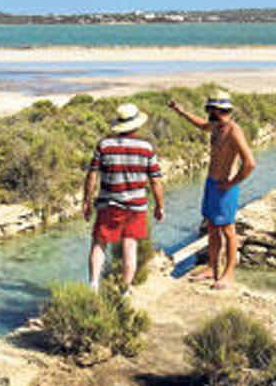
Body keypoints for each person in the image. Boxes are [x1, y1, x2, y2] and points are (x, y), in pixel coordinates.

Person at [169, 91, 256, 289]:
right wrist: (181, 112)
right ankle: (211, 267)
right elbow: (201, 124)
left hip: (225, 189)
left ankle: (228, 274)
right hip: (211, 184)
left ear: (217, 110)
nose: (207, 112)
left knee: (228, 230)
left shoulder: (234, 131)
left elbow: (250, 163)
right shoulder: (217, 126)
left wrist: (233, 182)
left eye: (209, 109)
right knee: (211, 226)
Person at [83, 103, 164, 294]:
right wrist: (160, 206)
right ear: (137, 125)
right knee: (130, 246)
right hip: (135, 207)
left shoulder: (104, 145)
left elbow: (92, 175)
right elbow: (156, 181)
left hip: (108, 203)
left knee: (99, 243)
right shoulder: (146, 148)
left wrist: (86, 201)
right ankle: (125, 290)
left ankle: (93, 285)